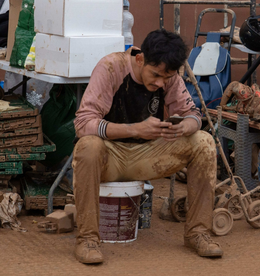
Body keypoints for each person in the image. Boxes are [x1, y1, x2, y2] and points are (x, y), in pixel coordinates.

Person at [72, 29, 222, 264]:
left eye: (167, 77)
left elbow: (193, 114)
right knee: (88, 146)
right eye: (155, 75)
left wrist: (186, 126)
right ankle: (88, 239)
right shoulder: (111, 67)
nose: (160, 82)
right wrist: (135, 129)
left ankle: (198, 232)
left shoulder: (169, 77)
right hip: (109, 156)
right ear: (140, 58)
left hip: (149, 155)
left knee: (203, 141)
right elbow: (82, 124)